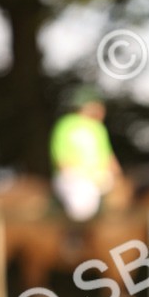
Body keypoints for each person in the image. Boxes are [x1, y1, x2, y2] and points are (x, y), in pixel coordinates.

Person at [49, 87, 121, 223]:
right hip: (75, 178)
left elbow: (109, 157)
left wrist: (118, 178)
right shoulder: (66, 125)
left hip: (100, 178)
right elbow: (61, 160)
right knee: (81, 207)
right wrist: (86, 176)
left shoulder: (98, 128)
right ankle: (76, 239)